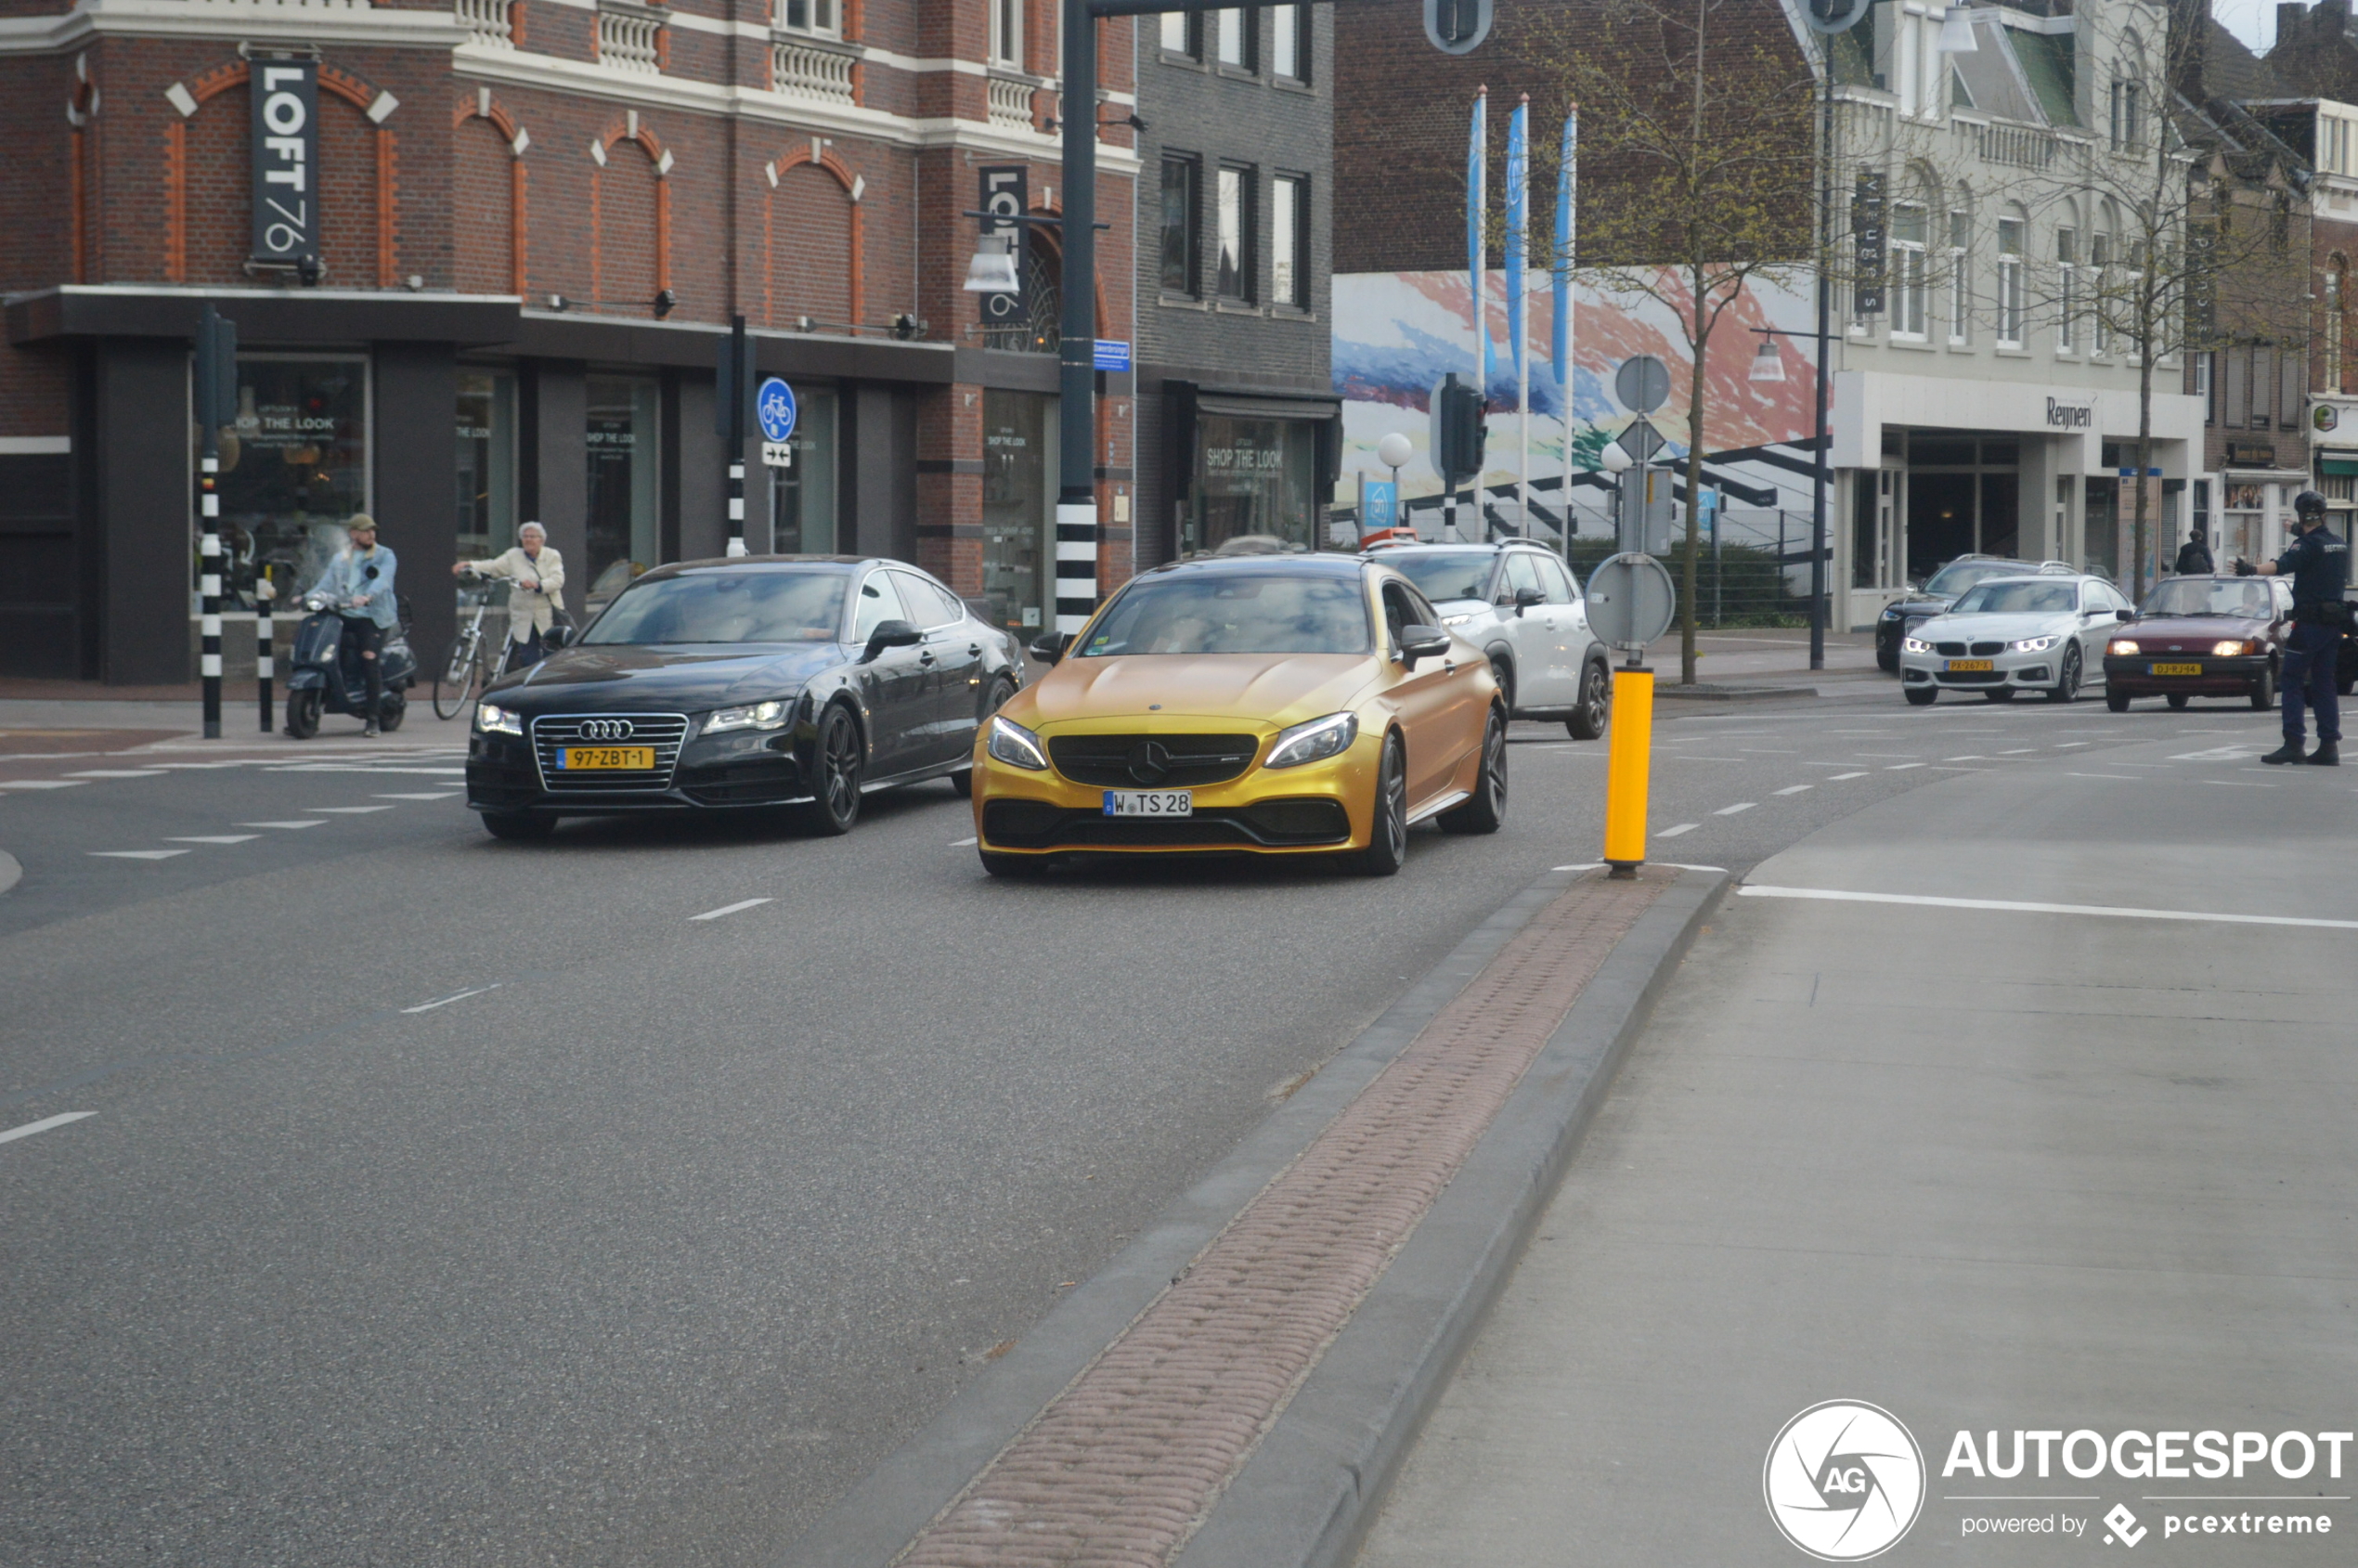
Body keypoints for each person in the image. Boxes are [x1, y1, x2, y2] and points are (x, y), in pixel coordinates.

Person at [2236, 490, 2348, 766]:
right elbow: (2315, 540)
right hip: (2333, 624)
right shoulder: (2338, 543)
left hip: (2309, 625)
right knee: (2324, 683)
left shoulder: (2305, 545)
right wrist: (2301, 529)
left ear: (2301, 515)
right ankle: (2329, 745)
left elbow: (2282, 565)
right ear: (2324, 514)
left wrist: (2250, 569)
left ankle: (2294, 743)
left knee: (2292, 680)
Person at [304, 513, 399, 736]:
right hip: (345, 614)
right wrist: (306, 597)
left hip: (373, 616)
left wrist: (367, 597)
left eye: (372, 530)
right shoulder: (341, 558)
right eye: (366, 530)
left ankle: (373, 719)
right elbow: (325, 584)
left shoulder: (385, 556)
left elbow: (383, 580)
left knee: (368, 658)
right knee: (324, 649)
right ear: (353, 533)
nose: (371, 534)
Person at [455, 522, 567, 671]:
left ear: (541, 540)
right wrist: (470, 564)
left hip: (547, 614)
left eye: (532, 536)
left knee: (550, 655)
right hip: (523, 614)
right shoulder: (514, 555)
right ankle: (531, 689)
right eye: (525, 537)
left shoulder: (551, 555)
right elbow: (493, 566)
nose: (528, 540)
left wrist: (537, 585)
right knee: (528, 657)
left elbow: (557, 580)